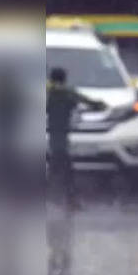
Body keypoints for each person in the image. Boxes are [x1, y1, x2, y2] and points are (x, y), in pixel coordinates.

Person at [46, 67, 103, 208]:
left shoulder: (49, 94)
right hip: (62, 138)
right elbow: (90, 103)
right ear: (64, 79)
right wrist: (100, 105)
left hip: (54, 137)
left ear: (52, 79)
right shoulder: (69, 93)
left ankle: (64, 200)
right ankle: (71, 201)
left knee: (57, 169)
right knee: (65, 170)